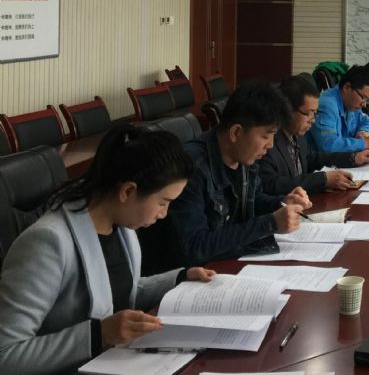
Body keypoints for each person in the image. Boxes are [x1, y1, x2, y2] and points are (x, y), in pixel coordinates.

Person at [0, 126, 216, 373]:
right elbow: (5, 355)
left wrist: (179, 278)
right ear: (127, 191)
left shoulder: (120, 225)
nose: (163, 214)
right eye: (162, 202)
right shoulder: (47, 242)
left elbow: (119, 291)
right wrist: (99, 335)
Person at [138, 81, 313, 275]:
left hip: (230, 264)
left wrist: (282, 203)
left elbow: (252, 201)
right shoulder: (191, 168)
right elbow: (194, 248)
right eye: (266, 136)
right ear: (236, 132)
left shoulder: (245, 156)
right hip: (190, 278)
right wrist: (270, 223)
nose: (270, 145)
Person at [259, 74, 369, 195]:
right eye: (308, 113)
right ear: (287, 110)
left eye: (314, 113)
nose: (313, 120)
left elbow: (311, 158)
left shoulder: (297, 133)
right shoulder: (267, 141)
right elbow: (271, 185)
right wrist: (323, 180)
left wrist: (353, 158)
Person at [309, 65, 369, 153]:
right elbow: (328, 144)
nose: (364, 104)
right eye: (363, 97)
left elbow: (367, 121)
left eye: (367, 99)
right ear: (347, 87)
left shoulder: (350, 103)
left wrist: (364, 131)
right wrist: (365, 143)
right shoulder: (327, 106)